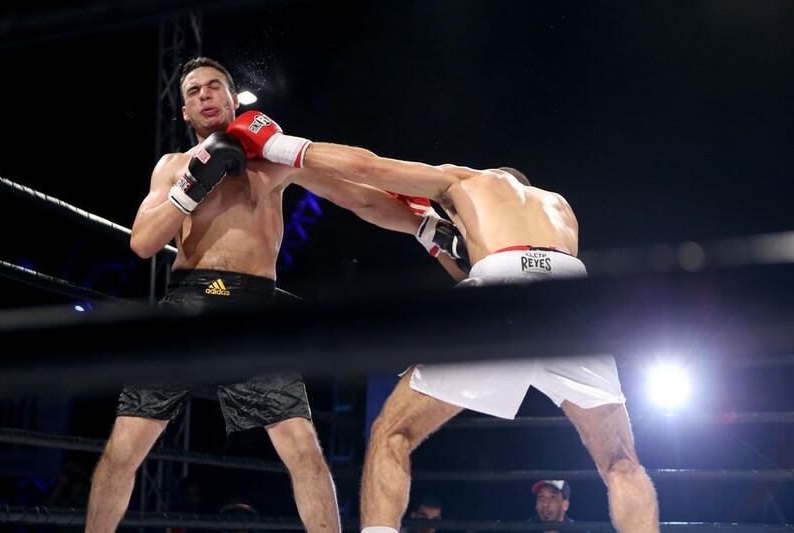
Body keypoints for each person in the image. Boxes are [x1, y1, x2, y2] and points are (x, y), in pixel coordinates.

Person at [222, 111, 660, 533]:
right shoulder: (560, 207)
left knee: (391, 434)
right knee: (621, 462)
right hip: (572, 297)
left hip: (501, 291)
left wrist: (277, 147)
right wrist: (434, 238)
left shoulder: (466, 180)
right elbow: (521, 268)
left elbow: (367, 171)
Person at [85, 57, 465, 533]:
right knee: (123, 449)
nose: (204, 95)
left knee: (304, 451)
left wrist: (424, 227)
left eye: (214, 87)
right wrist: (191, 186)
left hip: (254, 310)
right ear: (184, 111)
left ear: (231, 98)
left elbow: (359, 198)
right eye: (194, 91)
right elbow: (142, 243)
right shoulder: (172, 166)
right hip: (187, 302)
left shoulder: (273, 160)